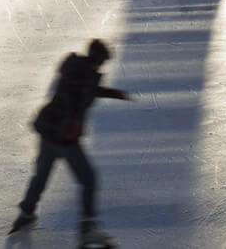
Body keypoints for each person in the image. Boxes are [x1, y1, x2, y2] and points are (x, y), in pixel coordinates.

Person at [9, 39, 133, 245]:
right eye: (102, 62)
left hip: (48, 132)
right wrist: (71, 121)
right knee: (88, 179)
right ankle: (87, 228)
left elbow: (84, 90)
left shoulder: (75, 68)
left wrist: (113, 93)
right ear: (98, 60)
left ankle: (25, 214)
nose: (101, 66)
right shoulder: (87, 77)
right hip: (64, 138)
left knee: (40, 177)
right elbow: (80, 95)